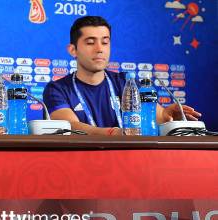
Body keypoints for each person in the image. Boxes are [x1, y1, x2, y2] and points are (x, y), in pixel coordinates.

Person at [42, 16, 201, 136]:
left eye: (105, 42)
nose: (99, 49)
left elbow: (155, 115)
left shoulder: (127, 82)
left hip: (129, 161)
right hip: (82, 163)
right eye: (90, 42)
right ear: (72, 50)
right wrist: (114, 133)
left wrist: (167, 116)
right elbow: (70, 126)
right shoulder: (57, 89)